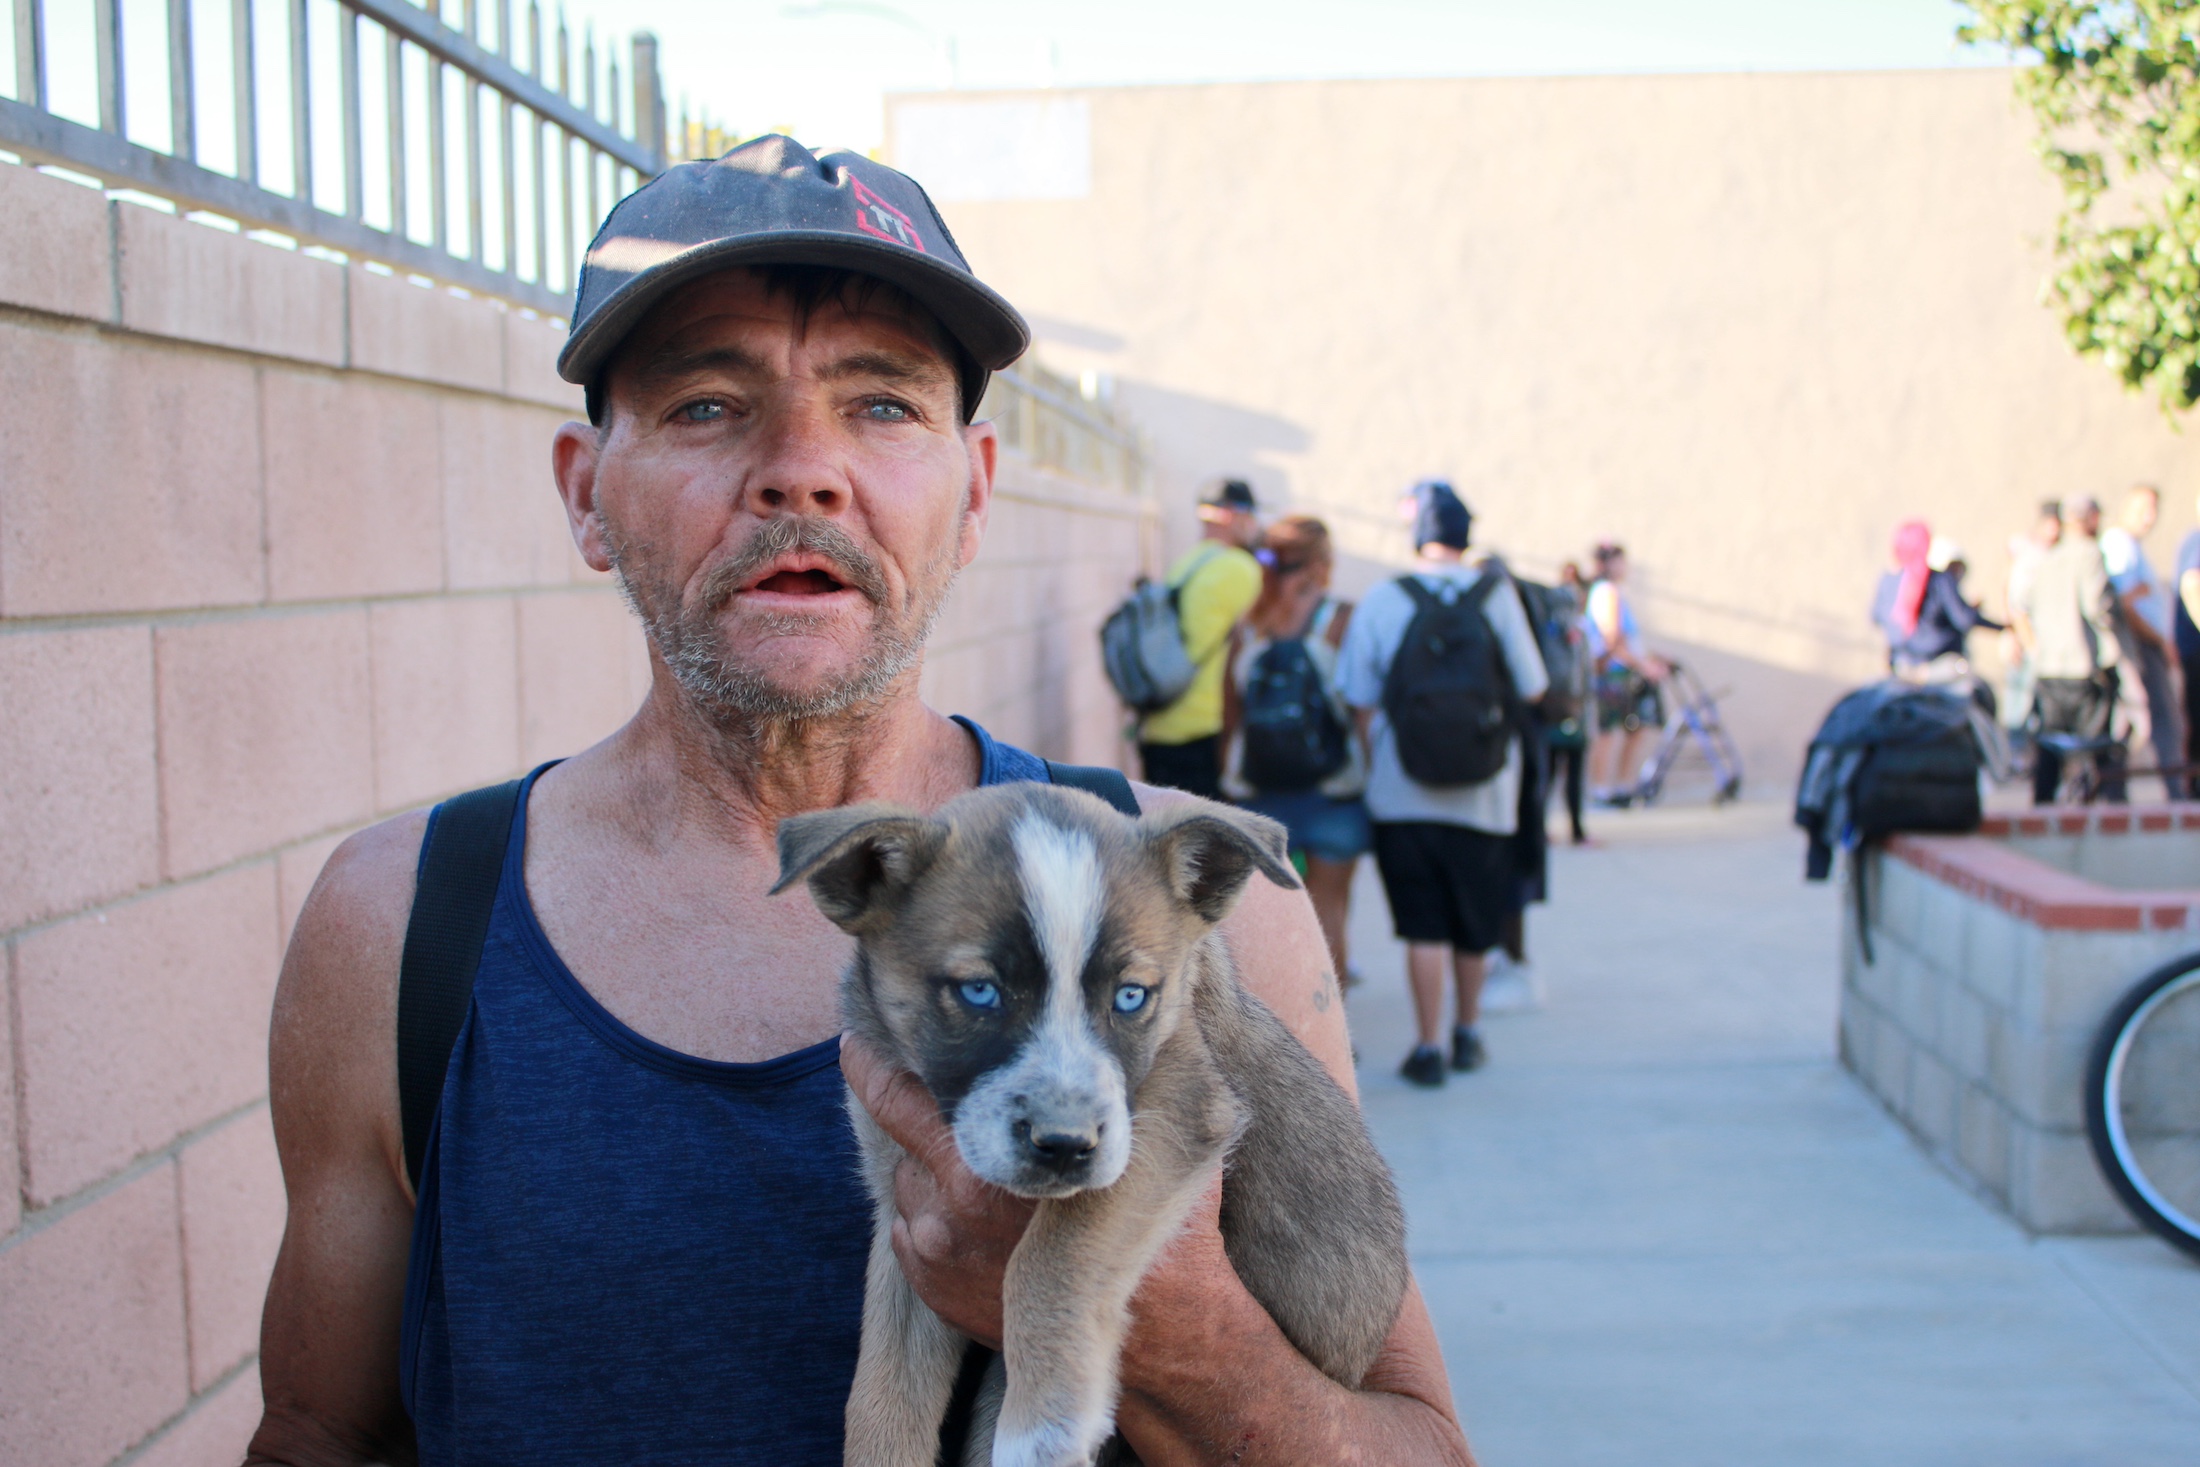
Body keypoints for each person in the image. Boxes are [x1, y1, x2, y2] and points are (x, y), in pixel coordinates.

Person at [247, 136, 1472, 1466]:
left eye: (882, 404)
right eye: (706, 404)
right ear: (586, 495)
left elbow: (1418, 1444)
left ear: (976, 492)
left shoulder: (1189, 914)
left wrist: (1163, 1325)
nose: (803, 470)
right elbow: (316, 1434)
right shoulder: (401, 927)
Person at [1337, 482, 1549, 1088]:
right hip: (1486, 794)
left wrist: (1379, 752)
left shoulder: (1385, 597)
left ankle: (1427, 1045)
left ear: (1418, 537)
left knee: (1423, 926)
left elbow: (1357, 692)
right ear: (1465, 535)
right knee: (1474, 924)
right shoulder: (1496, 595)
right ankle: (1468, 1033)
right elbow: (1534, 686)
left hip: (1402, 793)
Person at [1223, 514, 1368, 989]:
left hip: (1260, 795)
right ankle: (1334, 1026)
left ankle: (1281, 1022)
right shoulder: (1340, 619)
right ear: (1322, 564)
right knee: (1329, 913)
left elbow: (1230, 715)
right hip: (1333, 791)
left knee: (1270, 925)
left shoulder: (1249, 625)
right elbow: (1360, 706)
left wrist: (1228, 783)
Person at [1137, 479, 1265, 798]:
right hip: (1201, 731)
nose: (1255, 524)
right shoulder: (1240, 567)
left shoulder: (1187, 563)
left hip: (1158, 725)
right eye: (1250, 514)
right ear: (1231, 515)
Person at [2016, 495, 2123, 804]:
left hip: (2050, 667)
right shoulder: (2089, 554)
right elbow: (2097, 606)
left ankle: (2042, 808)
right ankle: (2102, 810)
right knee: (2094, 748)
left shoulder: (2047, 557)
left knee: (2050, 746)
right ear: (2089, 518)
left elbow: (2023, 605)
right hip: (2083, 665)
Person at [2100, 483, 2186, 795]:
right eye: (2142, 509)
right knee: (2160, 719)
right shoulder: (2119, 544)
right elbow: (2124, 603)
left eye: (2153, 510)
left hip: (2144, 644)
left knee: (2131, 720)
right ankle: (2175, 791)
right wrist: (2158, 641)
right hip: (2139, 646)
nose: (2149, 517)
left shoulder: (2131, 546)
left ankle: (2116, 792)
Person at [1585, 541, 1666, 806]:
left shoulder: (1611, 591)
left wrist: (1649, 660)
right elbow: (1613, 638)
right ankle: (1603, 790)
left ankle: (1620, 786)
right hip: (1614, 675)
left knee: (1633, 730)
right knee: (1609, 732)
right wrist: (1643, 665)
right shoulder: (1607, 592)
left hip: (1622, 673)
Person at [1871, 521, 2003, 682]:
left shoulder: (1888, 580)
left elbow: (1877, 617)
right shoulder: (1940, 581)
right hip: (1939, 667)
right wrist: (2001, 627)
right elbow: (1964, 619)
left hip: (1900, 665)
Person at [2003, 499, 2064, 736]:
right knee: (2018, 704)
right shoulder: (2028, 554)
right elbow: (2014, 602)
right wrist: (2017, 637)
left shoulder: (2057, 555)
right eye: (2050, 524)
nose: (2054, 530)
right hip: (2027, 638)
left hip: (2048, 643)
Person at [1543, 560, 1591, 844]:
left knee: (1554, 773)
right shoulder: (1566, 630)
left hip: (1561, 710)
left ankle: (1571, 828)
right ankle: (1571, 830)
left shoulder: (1560, 628)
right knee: (1558, 773)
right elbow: (1572, 674)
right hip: (1565, 709)